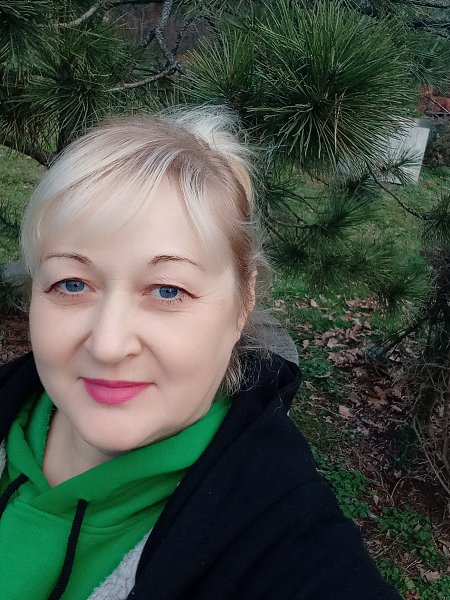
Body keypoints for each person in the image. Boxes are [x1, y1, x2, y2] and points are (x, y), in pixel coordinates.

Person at [0, 106, 402, 600]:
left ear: (243, 302)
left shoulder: (279, 538)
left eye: (167, 290)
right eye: (72, 283)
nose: (108, 345)